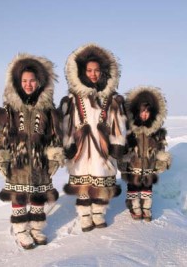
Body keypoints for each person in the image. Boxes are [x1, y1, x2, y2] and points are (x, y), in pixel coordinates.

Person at [0, 53, 64, 249]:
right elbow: (1, 137)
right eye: (24, 81)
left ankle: (37, 228)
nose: (28, 84)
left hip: (40, 163)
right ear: (17, 82)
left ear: (39, 82)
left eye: (32, 80)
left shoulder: (48, 110)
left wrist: (54, 157)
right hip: (18, 163)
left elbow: (55, 137)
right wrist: (1, 157)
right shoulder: (9, 110)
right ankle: (21, 230)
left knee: (38, 196)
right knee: (19, 197)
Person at [59, 43, 127, 232]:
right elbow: (67, 124)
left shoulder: (112, 98)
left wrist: (117, 145)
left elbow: (118, 123)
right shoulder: (73, 98)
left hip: (103, 148)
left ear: (103, 71)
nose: (93, 74)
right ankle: (84, 216)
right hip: (81, 148)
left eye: (97, 70)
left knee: (101, 182)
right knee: (83, 185)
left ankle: (98, 213)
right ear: (82, 72)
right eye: (89, 70)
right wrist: (68, 144)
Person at [118, 86, 171, 221]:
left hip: (149, 163)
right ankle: (134, 206)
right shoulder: (130, 128)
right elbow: (123, 144)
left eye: (147, 112)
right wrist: (123, 158)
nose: (145, 115)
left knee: (147, 185)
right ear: (137, 112)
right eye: (142, 112)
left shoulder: (156, 130)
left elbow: (160, 146)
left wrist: (161, 159)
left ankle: (146, 208)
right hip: (133, 162)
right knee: (133, 185)